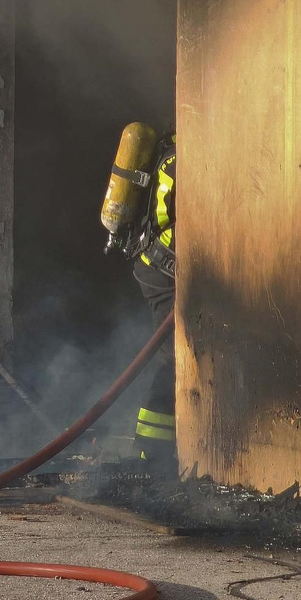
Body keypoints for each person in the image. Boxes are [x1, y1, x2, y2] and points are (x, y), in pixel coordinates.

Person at [117, 129, 177, 472]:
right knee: (172, 360)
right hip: (162, 270)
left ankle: (158, 448)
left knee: (177, 358)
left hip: (161, 267)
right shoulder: (183, 162)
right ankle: (151, 453)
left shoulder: (171, 153)